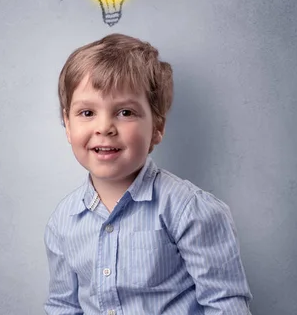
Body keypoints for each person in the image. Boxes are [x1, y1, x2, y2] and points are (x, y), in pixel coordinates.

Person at [44, 33, 253, 314]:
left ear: (157, 127)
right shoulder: (63, 222)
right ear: (67, 127)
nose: (104, 127)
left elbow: (225, 304)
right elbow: (63, 306)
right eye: (87, 113)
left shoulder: (189, 210)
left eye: (126, 112)